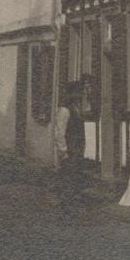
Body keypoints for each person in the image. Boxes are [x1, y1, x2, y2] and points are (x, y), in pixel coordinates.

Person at [58, 82, 86, 213]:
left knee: (75, 175)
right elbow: (60, 132)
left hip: (76, 149)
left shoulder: (76, 108)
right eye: (77, 93)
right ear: (71, 94)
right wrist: (63, 151)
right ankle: (66, 205)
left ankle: (73, 203)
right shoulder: (64, 110)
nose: (80, 95)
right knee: (68, 176)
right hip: (69, 150)